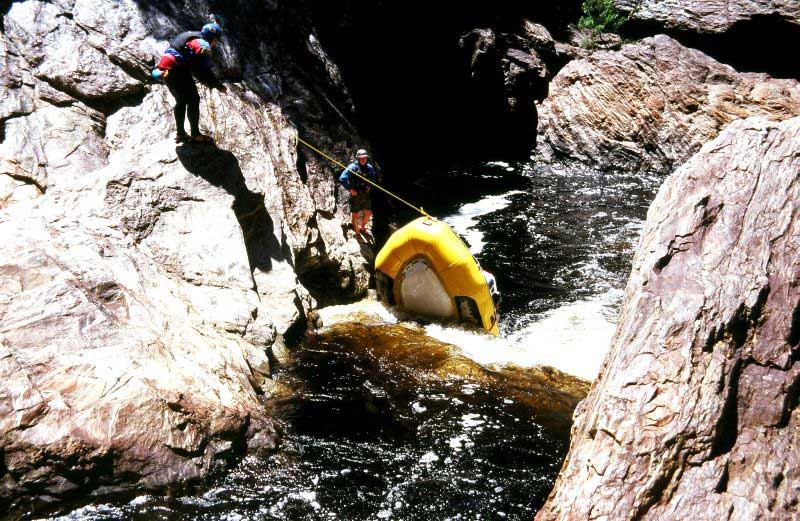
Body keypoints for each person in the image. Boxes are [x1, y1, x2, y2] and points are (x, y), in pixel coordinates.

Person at [151, 22, 227, 143]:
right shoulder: (203, 46)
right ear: (212, 38)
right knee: (193, 100)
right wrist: (218, 86)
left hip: (166, 71)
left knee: (181, 101)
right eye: (216, 40)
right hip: (178, 72)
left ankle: (180, 134)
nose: (216, 43)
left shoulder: (190, 35)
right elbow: (203, 70)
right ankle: (195, 134)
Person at [339, 149, 377, 235]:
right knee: (355, 214)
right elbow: (342, 178)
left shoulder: (369, 167)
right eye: (361, 158)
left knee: (368, 212)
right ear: (358, 158)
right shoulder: (352, 167)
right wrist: (350, 189)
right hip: (355, 194)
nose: (363, 160)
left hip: (365, 194)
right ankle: (356, 232)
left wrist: (369, 186)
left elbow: (373, 178)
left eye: (365, 158)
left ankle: (363, 227)